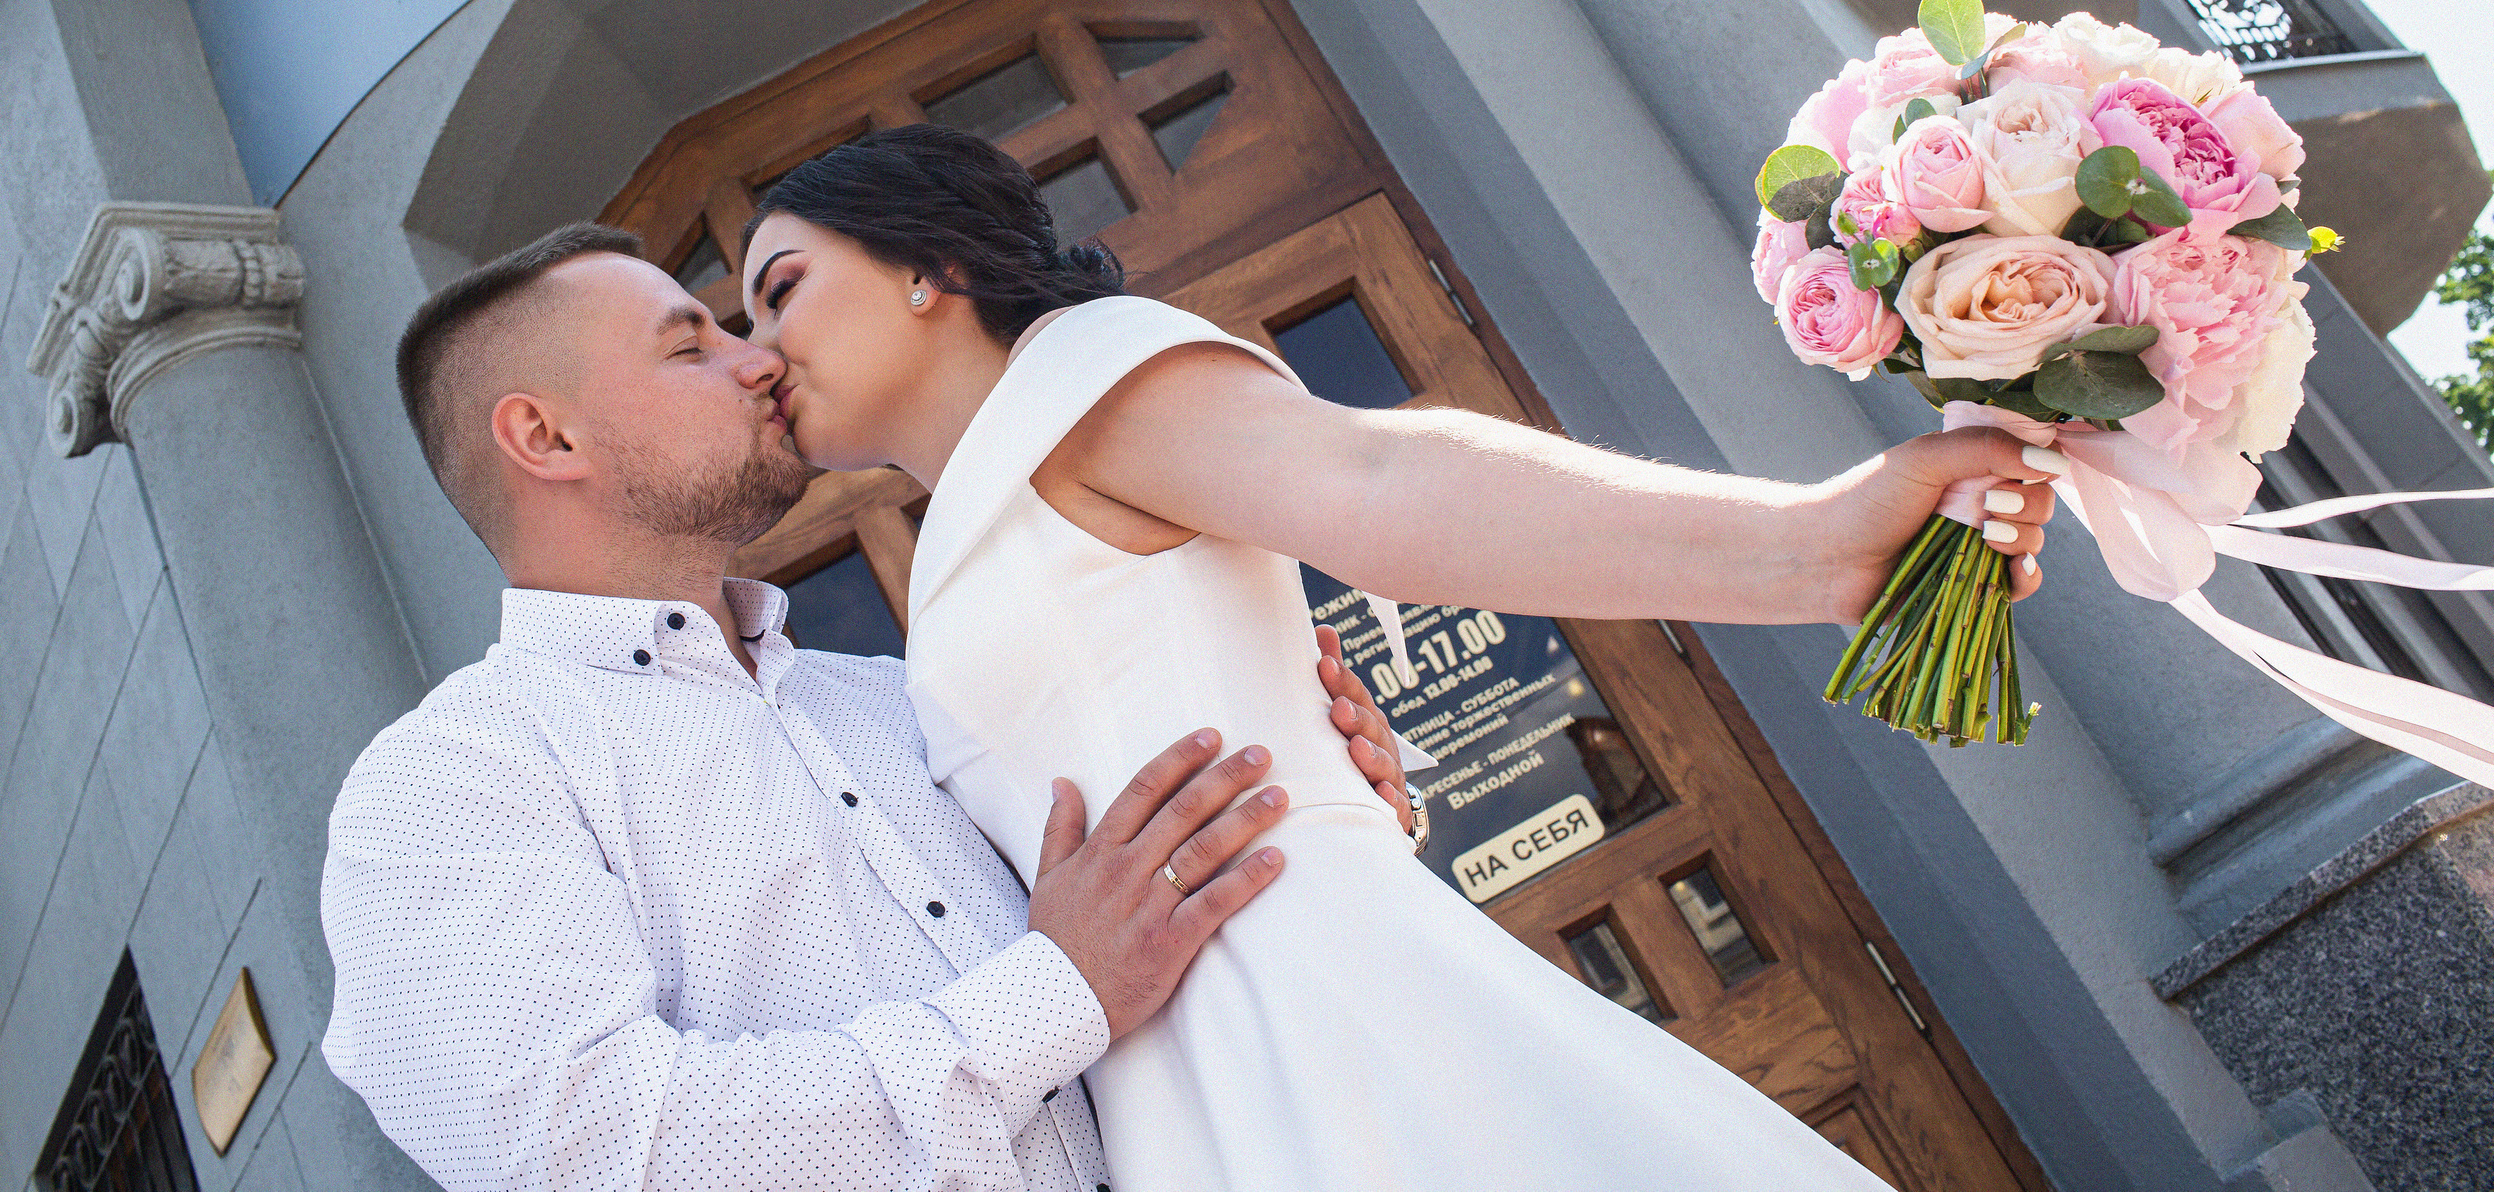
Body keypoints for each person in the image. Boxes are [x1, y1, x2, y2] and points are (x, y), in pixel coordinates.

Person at [740, 125, 2063, 1192]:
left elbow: (1377, 477)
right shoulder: (973, 516)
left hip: (1328, 1027)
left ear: (925, 264)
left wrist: (1811, 545)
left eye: (780, 289)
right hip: (1176, 1082)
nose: (761, 353)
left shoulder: (1080, 372)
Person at [318, 223, 1424, 1192]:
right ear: (546, 438)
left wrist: (1309, 787)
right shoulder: (449, 785)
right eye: (690, 344)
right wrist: (1056, 994)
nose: (761, 363)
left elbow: (1159, 916)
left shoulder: (899, 696)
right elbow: (590, 1154)